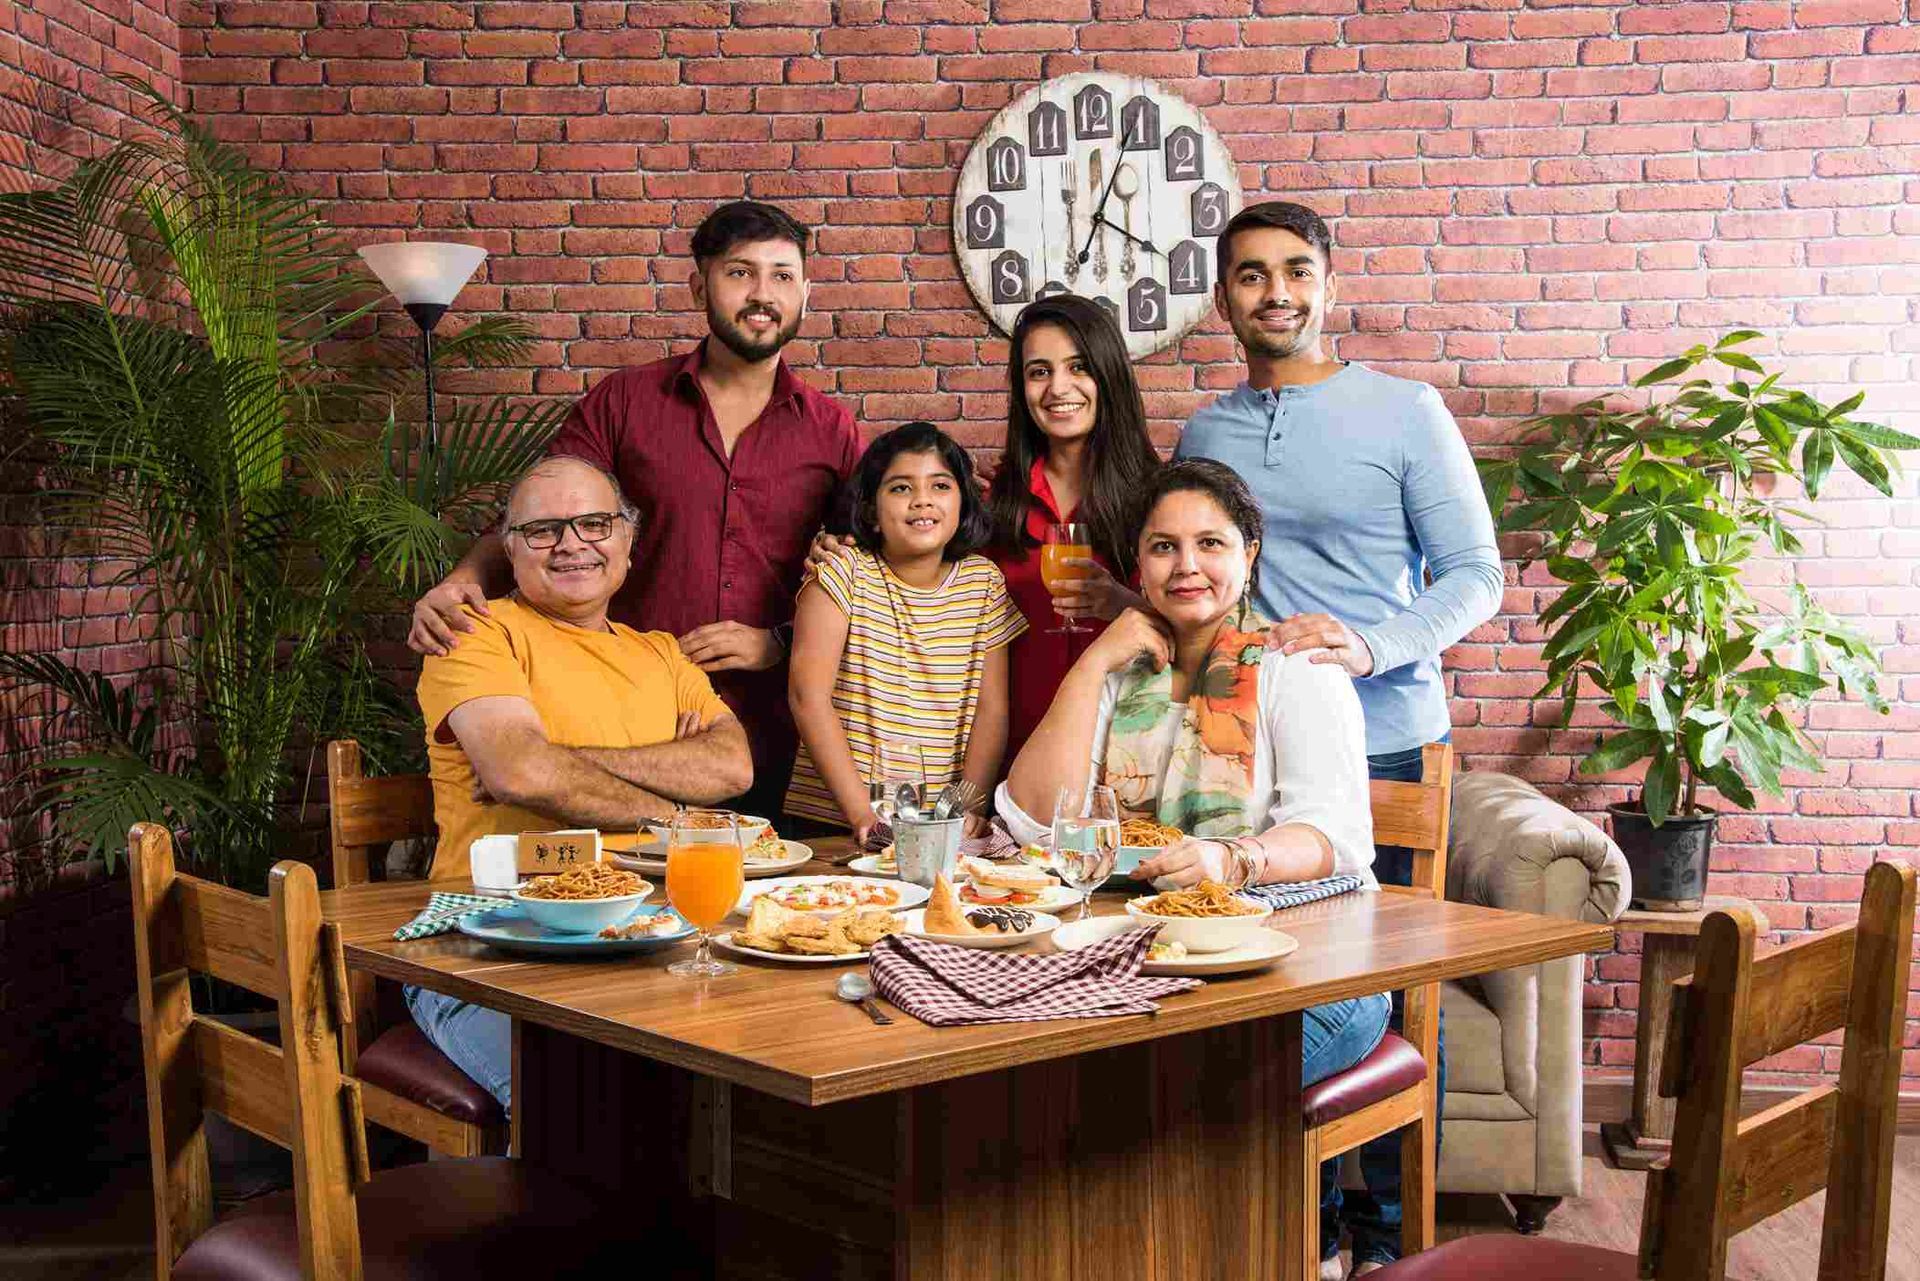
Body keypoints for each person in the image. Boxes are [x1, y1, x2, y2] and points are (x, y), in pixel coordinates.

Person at [1176, 201, 1503, 1277]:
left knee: (1388, 986)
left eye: (1295, 270)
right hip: (1248, 757)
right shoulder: (1205, 431)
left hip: (1388, 744)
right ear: (1223, 298)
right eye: (1251, 275)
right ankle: (1304, 1231)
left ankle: (1397, 1239)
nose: (1276, 292)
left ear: (1328, 283)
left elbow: (1477, 575)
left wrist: (1371, 646)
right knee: (1270, 986)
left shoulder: (1406, 411)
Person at [405, 200, 861, 822]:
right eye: (740, 272)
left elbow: (863, 577)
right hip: (628, 725)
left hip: (775, 729)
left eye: (782, 275)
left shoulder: (832, 431)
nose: (762, 294)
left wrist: (779, 641)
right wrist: (460, 584)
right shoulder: (625, 402)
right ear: (699, 286)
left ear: (806, 293)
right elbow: (543, 514)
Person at [997, 457, 1388, 1089]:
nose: (1185, 565)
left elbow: (1334, 835)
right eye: (1163, 547)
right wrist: (1092, 664)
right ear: (1138, 563)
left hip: (1317, 965)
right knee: (1036, 1064)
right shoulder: (1123, 671)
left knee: (1179, 1088)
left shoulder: (1297, 666)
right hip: (1161, 955)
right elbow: (1039, 820)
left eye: (1210, 543)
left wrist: (1229, 860)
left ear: (1249, 554)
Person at [409, 456, 754, 1108]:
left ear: (627, 539)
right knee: (580, 1108)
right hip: (490, 951)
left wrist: (558, 758)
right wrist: (676, 811)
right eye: (543, 530)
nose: (572, 544)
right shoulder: (473, 633)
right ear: (509, 549)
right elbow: (522, 772)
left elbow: (732, 766)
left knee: (749, 1075)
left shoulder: (662, 653)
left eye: (595, 523)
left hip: (646, 942)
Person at [786, 422, 1026, 843]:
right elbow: (808, 698)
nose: (922, 500)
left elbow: (992, 712)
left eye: (940, 486)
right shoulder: (842, 571)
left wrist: (967, 808)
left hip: (938, 826)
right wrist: (864, 817)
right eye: (900, 488)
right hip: (834, 823)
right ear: (871, 510)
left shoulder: (984, 583)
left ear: (964, 503)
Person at [984, 294, 1160, 763]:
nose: (1058, 388)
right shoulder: (992, 501)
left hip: (1125, 760)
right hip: (1018, 758)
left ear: (1108, 375)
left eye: (1078, 367)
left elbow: (1201, 632)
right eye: (1039, 371)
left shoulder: (1159, 499)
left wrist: (1121, 604)